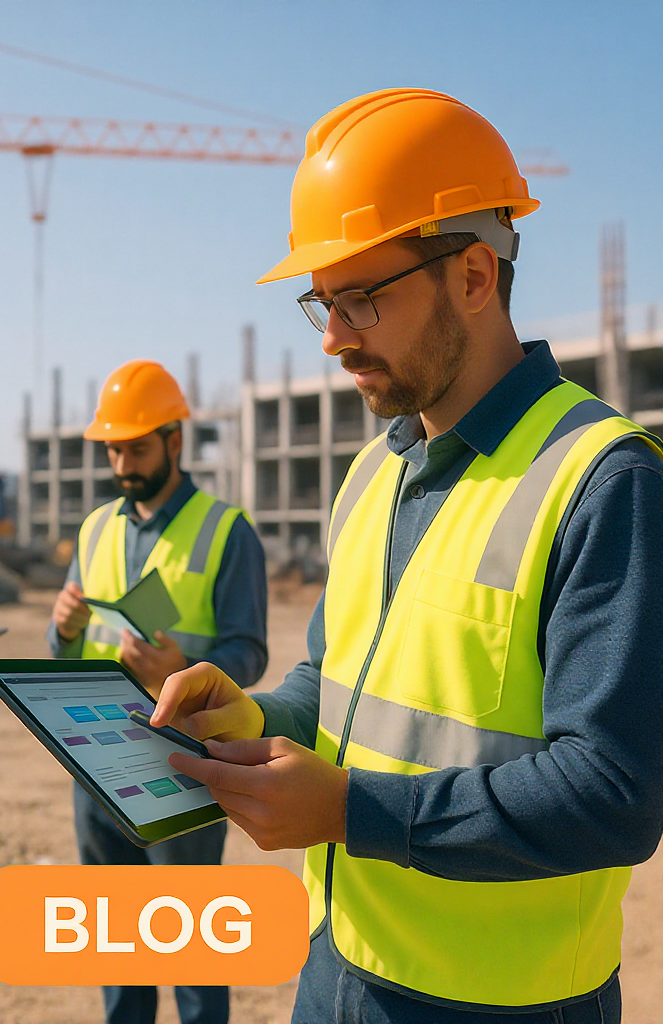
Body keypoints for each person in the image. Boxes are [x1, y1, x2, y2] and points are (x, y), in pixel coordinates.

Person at [151, 88, 663, 1024]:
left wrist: (352, 813)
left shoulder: (602, 480)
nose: (334, 338)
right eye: (323, 303)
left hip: (502, 1004)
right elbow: (336, 681)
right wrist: (255, 714)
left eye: (361, 299)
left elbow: (616, 794)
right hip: (339, 963)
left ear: (473, 275)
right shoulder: (372, 475)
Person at [49, 359, 268, 1024]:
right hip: (96, 759)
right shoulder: (95, 529)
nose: (122, 464)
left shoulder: (226, 530)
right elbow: (67, 653)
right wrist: (62, 630)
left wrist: (184, 667)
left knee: (190, 943)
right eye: (113, 450)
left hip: (183, 767)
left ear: (175, 441)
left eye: (136, 448)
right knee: (118, 944)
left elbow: (249, 651)